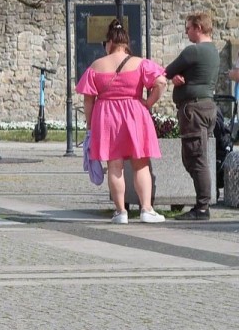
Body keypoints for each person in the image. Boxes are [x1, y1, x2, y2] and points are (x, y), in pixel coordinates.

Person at [76, 18, 167, 225]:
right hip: (135, 113)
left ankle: (121, 212)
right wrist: (148, 102)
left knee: (114, 165)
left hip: (106, 116)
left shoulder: (96, 66)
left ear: (109, 42)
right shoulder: (140, 63)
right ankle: (146, 209)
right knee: (140, 164)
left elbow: (88, 99)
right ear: (126, 43)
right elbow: (161, 81)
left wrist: (90, 126)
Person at [164, 11, 220, 220]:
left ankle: (202, 207)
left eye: (188, 27)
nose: (186, 31)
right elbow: (196, 75)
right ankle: (202, 203)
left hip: (193, 110)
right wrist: (182, 78)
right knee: (196, 158)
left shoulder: (193, 51)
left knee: (196, 159)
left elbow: (166, 71)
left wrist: (175, 78)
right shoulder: (213, 51)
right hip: (207, 107)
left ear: (198, 27)